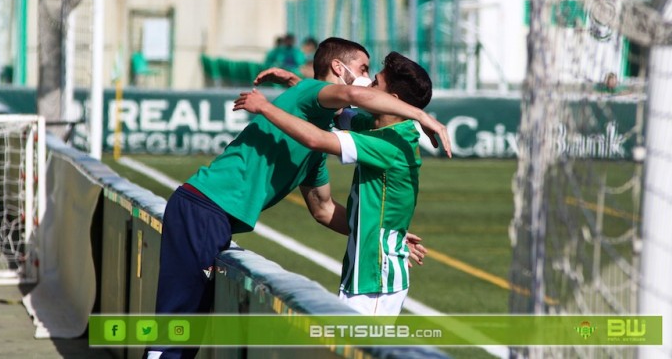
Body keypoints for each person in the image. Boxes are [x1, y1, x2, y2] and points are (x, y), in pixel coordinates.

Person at [147, 38, 450, 359]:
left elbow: (323, 208)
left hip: (375, 273)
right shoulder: (334, 107)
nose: (366, 81)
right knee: (177, 328)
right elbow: (345, 99)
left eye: (373, 78)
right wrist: (422, 115)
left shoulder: (378, 136)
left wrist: (385, 232)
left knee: (183, 330)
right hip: (205, 208)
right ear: (338, 69)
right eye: (364, 71)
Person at [236, 51, 433, 316]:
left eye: (375, 84)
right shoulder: (377, 126)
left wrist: (265, 107)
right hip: (366, 272)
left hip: (376, 278)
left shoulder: (390, 144)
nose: (367, 88)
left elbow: (317, 139)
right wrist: (298, 84)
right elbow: (338, 113)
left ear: (392, 101)